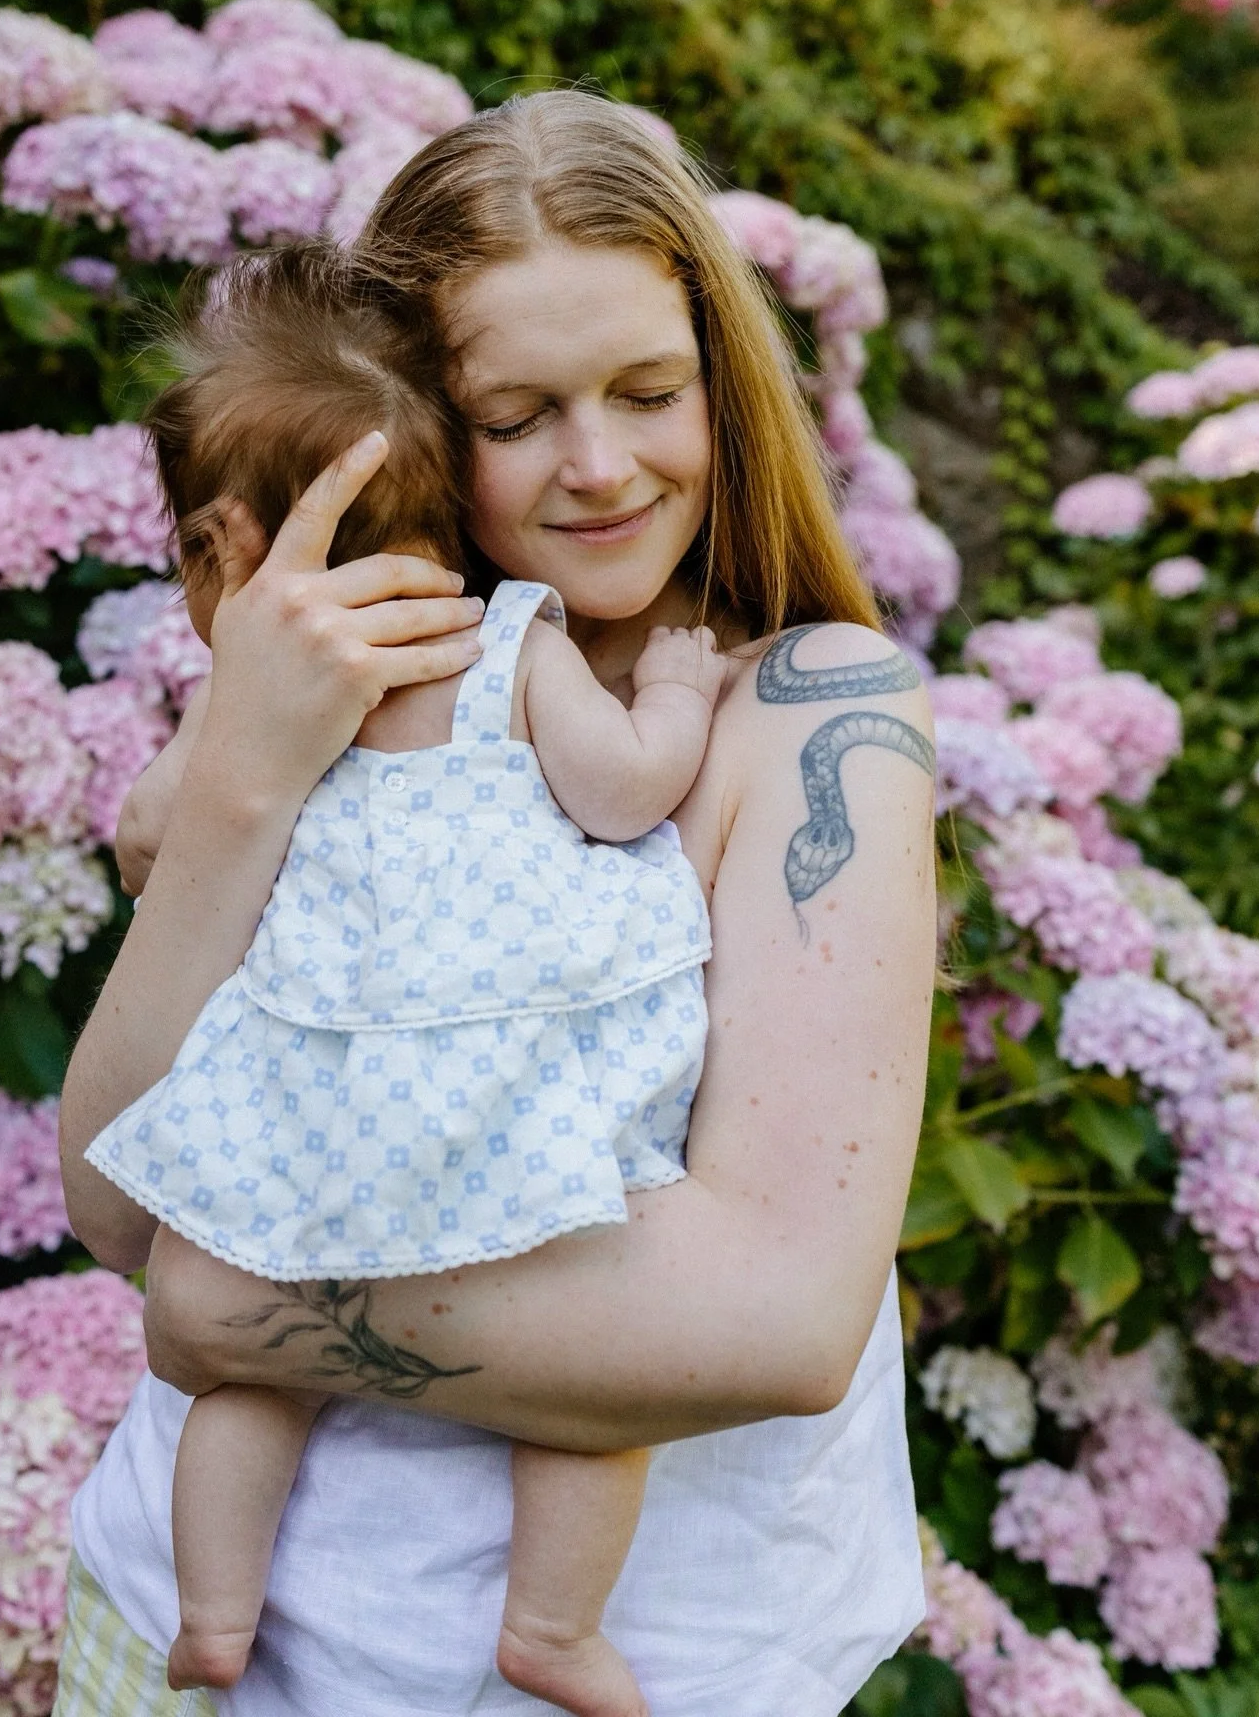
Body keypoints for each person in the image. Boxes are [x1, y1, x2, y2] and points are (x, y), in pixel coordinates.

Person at [57, 89, 937, 1717]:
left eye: (649, 392)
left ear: (724, 393)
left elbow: (778, 1319)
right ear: (399, 424)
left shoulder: (805, 710)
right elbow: (116, 1202)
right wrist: (244, 771)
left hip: (649, 1673)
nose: (598, 467)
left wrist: (237, 1293)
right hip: (189, 1642)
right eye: (516, 414)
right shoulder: (342, 715)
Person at [86, 241, 724, 1715]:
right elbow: (626, 793)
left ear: (229, 555)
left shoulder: (272, 716)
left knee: (253, 1384)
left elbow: (153, 847)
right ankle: (553, 1629)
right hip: (508, 1112)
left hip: (325, 1119)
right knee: (593, 1399)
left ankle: (216, 1614)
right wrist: (678, 696)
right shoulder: (507, 639)